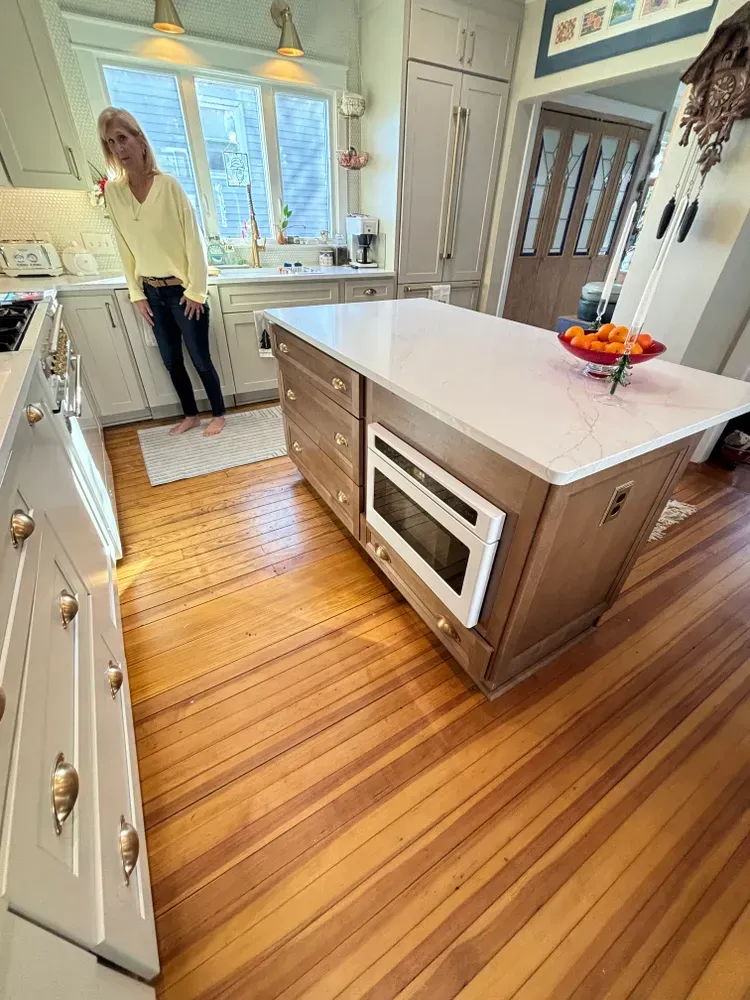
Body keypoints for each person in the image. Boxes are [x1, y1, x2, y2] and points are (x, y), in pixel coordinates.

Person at [98, 107, 226, 437]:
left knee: (200, 359)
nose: (118, 148)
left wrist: (196, 291)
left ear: (140, 141)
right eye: (111, 142)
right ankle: (190, 415)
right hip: (151, 293)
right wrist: (137, 294)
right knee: (170, 360)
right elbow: (123, 246)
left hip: (183, 292)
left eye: (123, 138)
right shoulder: (113, 193)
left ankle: (219, 413)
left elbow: (193, 242)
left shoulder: (168, 186)